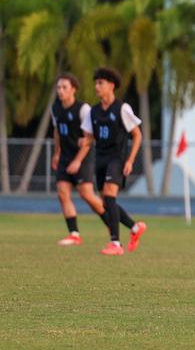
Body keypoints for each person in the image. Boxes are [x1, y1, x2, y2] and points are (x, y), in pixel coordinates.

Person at [90, 67, 147, 256]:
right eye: (96, 83)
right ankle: (135, 227)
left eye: (101, 83)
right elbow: (89, 136)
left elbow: (137, 135)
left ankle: (115, 243)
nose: (97, 87)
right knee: (106, 202)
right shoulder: (94, 111)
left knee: (109, 196)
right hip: (100, 159)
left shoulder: (122, 108)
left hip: (116, 159)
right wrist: (83, 142)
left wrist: (130, 161)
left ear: (111, 86)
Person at [50, 74, 106, 245]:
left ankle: (111, 222)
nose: (60, 91)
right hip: (65, 156)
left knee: (86, 195)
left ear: (73, 89)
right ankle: (74, 234)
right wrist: (57, 153)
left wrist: (78, 161)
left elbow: (89, 138)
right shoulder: (55, 108)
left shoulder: (83, 109)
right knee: (62, 193)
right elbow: (57, 131)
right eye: (58, 87)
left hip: (83, 155)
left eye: (64, 87)